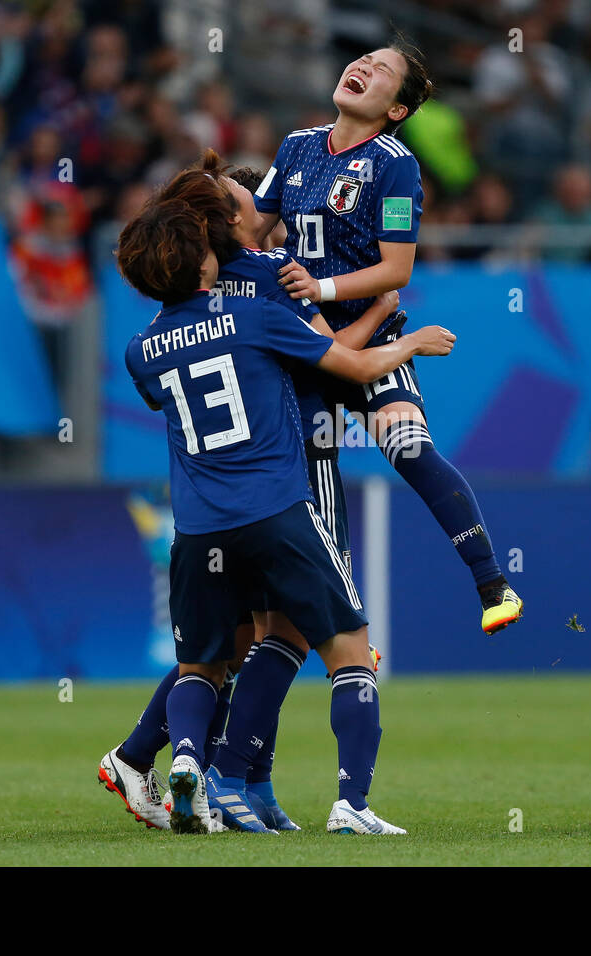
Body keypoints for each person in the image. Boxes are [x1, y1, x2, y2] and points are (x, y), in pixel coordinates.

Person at [112, 171, 455, 834]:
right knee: (350, 650)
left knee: (202, 666)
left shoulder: (140, 351)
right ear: (203, 261)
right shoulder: (254, 314)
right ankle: (352, 805)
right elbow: (349, 368)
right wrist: (406, 335)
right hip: (276, 508)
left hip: (197, 529)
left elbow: (168, 391)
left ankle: (186, 759)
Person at [252, 38, 524, 635]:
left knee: (408, 447)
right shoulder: (297, 146)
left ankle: (492, 583)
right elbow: (256, 225)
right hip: (308, 348)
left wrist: (317, 287)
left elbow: (396, 270)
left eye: (380, 72)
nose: (362, 68)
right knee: (319, 488)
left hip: (371, 335)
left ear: (395, 110)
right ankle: (348, 630)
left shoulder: (394, 163)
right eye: (363, 61)